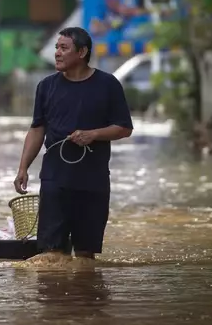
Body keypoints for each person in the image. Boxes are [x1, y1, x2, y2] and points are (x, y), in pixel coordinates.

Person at [13, 27, 133, 263]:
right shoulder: (46, 86)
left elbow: (124, 128)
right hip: (54, 179)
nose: (57, 53)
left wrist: (94, 134)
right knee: (51, 255)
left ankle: (81, 298)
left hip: (93, 180)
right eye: (56, 48)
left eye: (63, 48)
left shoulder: (108, 85)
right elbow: (37, 128)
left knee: (85, 257)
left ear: (82, 52)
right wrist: (23, 167)